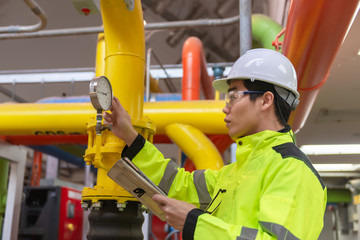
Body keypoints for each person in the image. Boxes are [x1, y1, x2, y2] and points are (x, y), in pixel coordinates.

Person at [103, 48, 327, 240]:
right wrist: (130, 136)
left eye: (233, 96)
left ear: (266, 100)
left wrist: (194, 223)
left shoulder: (292, 170)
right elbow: (178, 185)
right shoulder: (235, 172)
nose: (225, 107)